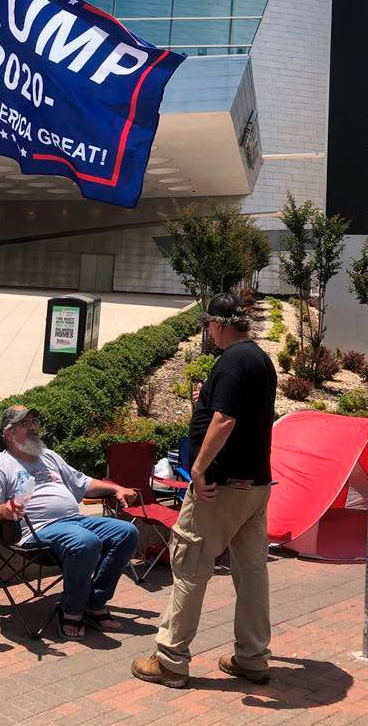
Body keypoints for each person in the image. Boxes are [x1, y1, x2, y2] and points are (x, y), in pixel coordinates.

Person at [132, 292, 277, 689]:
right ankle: (252, 657)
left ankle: (171, 659)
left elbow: (226, 420)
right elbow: (237, 413)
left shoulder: (231, 361)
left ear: (217, 324)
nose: (208, 333)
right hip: (255, 486)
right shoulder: (260, 360)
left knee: (191, 566)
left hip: (221, 488)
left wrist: (198, 468)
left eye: (208, 326)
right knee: (251, 573)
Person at [0, 404, 140, 640]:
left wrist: (116, 488)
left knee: (126, 532)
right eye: (24, 424)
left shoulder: (49, 456)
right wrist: (6, 508)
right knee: (86, 542)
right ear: (8, 433)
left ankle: (93, 603)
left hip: (75, 520)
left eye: (34, 422)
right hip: (38, 529)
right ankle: (71, 611)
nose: (33, 428)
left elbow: (83, 483)